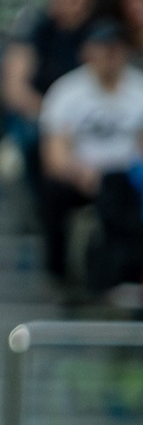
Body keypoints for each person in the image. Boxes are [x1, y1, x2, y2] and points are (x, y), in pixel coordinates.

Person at [36, 22, 143, 290]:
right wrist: (79, 173)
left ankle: (127, 276)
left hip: (128, 177)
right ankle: (59, 273)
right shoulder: (67, 91)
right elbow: (54, 154)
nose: (110, 54)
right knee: (52, 191)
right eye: (103, 47)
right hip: (81, 175)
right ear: (87, 51)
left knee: (123, 193)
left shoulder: (138, 88)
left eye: (115, 47)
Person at [1, 0, 99, 147]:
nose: (78, 5)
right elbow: (14, 91)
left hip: (84, 119)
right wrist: (55, 117)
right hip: (36, 117)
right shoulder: (33, 26)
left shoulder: (96, 31)